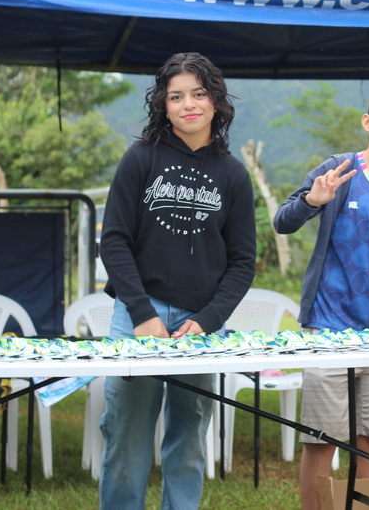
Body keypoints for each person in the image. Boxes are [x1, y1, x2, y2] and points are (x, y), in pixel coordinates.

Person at [98, 52, 257, 510]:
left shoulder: (233, 175)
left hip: (199, 327)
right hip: (137, 317)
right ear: (163, 106)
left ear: (215, 101)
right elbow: (114, 243)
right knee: (125, 441)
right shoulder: (140, 159)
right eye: (176, 96)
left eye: (199, 94)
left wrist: (207, 320)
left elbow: (243, 262)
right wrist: (142, 314)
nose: (189, 104)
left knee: (188, 442)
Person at [273, 84, 369, 510]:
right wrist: (312, 199)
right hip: (329, 326)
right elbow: (283, 222)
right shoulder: (338, 169)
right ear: (368, 120)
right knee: (322, 442)